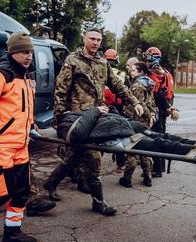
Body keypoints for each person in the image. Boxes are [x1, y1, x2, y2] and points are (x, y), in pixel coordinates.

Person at [43, 28, 144, 216]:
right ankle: (98, 202)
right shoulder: (72, 60)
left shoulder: (102, 63)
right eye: (92, 39)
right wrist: (59, 119)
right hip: (78, 118)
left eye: (98, 39)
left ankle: (51, 183)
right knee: (93, 157)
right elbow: (60, 90)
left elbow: (118, 86)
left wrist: (135, 101)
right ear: (84, 39)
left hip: (97, 118)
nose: (95, 42)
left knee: (75, 156)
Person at [54, 107, 196, 164]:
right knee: (165, 145)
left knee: (170, 139)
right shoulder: (65, 123)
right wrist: (95, 110)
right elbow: (78, 134)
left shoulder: (74, 115)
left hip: (129, 130)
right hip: (123, 141)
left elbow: (100, 122)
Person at [0, 32, 37, 242]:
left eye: (31, 52)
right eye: (25, 51)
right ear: (13, 52)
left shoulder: (25, 76)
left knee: (21, 193)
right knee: (0, 194)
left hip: (21, 147)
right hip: (0, 147)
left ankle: (12, 233)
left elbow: (22, 109)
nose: (29, 56)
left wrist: (31, 126)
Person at [119, 62, 157, 188]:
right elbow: (151, 103)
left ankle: (127, 178)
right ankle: (148, 177)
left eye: (134, 70)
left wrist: (147, 115)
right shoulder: (149, 83)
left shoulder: (137, 86)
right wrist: (152, 115)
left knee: (133, 149)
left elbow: (140, 104)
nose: (131, 71)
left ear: (140, 71)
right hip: (146, 122)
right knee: (145, 149)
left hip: (136, 121)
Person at [144, 47, 178, 178]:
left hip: (158, 109)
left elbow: (158, 94)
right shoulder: (166, 72)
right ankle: (161, 167)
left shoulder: (155, 73)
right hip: (164, 108)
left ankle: (157, 169)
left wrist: (166, 108)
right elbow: (170, 93)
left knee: (155, 138)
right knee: (161, 135)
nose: (146, 62)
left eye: (147, 58)